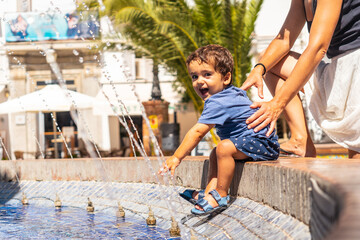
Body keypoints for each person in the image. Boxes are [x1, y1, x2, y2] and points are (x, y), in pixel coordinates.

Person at [158, 45, 280, 215]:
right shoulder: (228, 94)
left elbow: (197, 132)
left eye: (207, 74)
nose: (200, 81)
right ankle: (208, 193)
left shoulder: (218, 101)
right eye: (194, 76)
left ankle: (221, 195)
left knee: (223, 149)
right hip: (260, 142)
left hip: (262, 143)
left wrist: (176, 157)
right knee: (216, 152)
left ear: (226, 77)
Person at [241, 0, 360, 158]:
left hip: (355, 65)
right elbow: (284, 40)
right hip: (339, 68)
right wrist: (259, 68)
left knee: (356, 156)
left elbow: (318, 48)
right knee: (270, 63)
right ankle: (300, 140)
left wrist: (277, 104)